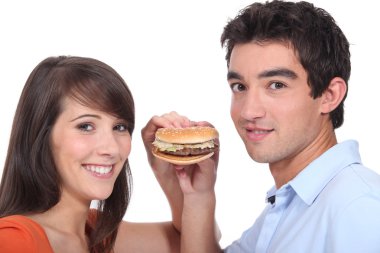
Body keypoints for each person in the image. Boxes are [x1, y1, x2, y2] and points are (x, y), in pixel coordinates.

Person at [183, 1, 380, 252]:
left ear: (330, 95)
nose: (248, 111)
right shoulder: (291, 203)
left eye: (276, 85)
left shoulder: (360, 207)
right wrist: (197, 194)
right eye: (240, 87)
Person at [0, 56, 219, 253]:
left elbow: (200, 241)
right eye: (86, 126)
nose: (112, 148)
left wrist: (176, 180)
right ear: (42, 135)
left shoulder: (97, 234)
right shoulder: (13, 241)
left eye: (120, 127)